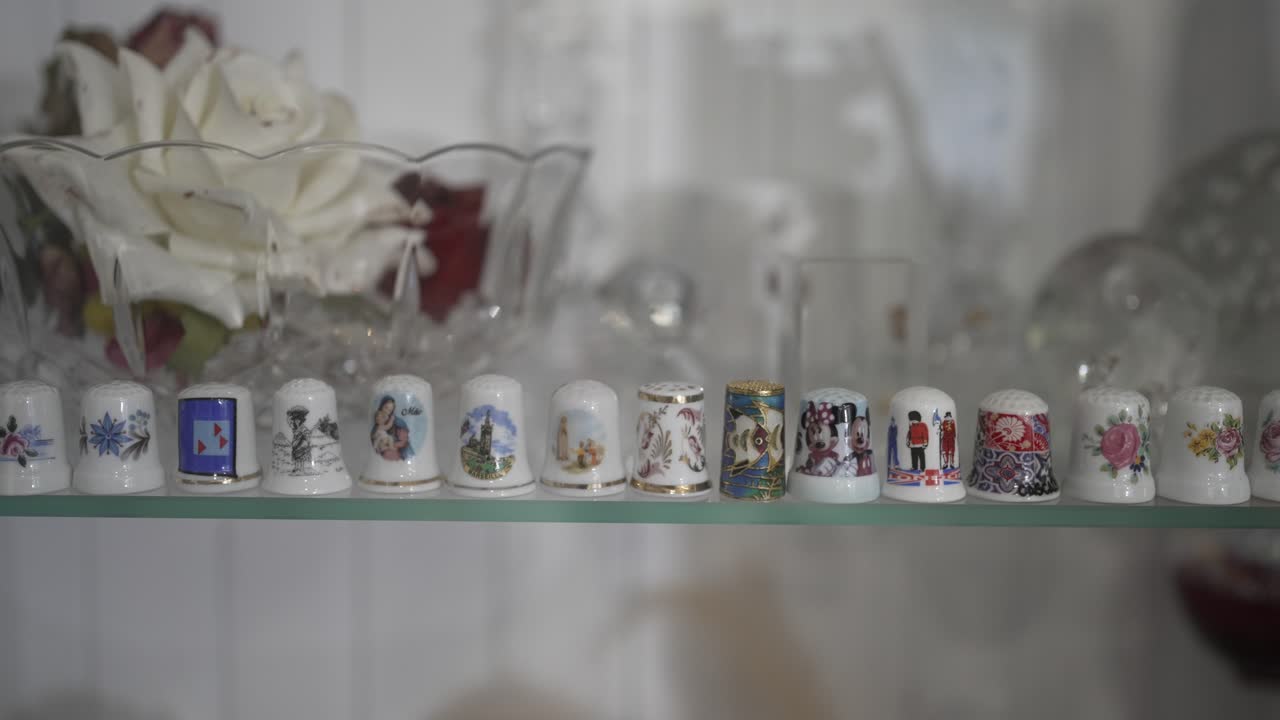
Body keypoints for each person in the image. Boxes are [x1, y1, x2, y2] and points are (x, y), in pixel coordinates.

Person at [370, 396, 415, 462]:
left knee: (390, 452)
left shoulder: (397, 421)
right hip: (383, 447)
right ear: (381, 406)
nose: (387, 411)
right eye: (386, 408)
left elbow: (404, 441)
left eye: (390, 410)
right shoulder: (378, 420)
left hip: (396, 449)